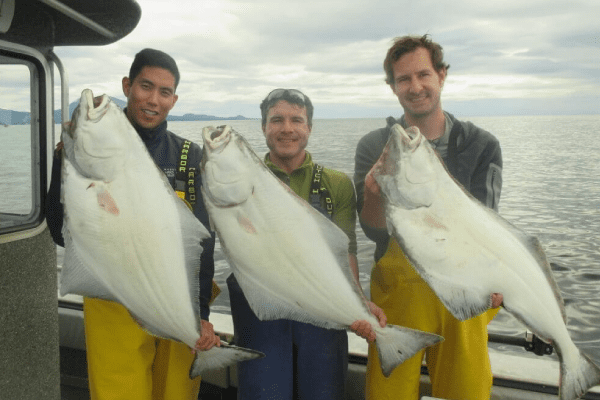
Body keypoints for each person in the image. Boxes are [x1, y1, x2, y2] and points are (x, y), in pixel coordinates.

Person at [46, 48, 219, 400]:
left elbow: (202, 243)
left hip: (175, 298)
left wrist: (199, 314)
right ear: (127, 86)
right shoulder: (79, 152)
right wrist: (64, 161)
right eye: (145, 86)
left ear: (174, 100)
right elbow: (59, 231)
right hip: (113, 299)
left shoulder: (190, 158)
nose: (153, 100)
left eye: (164, 92)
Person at [354, 35, 504, 400]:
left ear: (442, 75)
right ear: (392, 87)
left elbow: (486, 224)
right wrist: (374, 196)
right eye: (403, 79)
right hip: (399, 296)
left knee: (466, 393)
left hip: (465, 290)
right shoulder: (374, 146)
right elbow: (374, 232)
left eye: (424, 74)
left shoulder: (481, 144)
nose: (415, 87)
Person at [225, 88, 386, 399]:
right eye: (277, 120)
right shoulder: (237, 183)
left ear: (309, 128)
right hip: (260, 316)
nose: (287, 128)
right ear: (263, 127)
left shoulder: (335, 184)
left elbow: (346, 250)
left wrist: (357, 301)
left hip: (322, 311)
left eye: (297, 120)